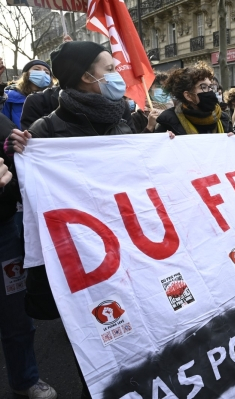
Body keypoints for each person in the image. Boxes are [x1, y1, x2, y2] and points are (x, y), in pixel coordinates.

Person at [8, 39, 138, 399]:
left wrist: (163, 143)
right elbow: (27, 192)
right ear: (85, 77)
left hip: (128, 239)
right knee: (100, 333)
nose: (117, 76)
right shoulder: (47, 131)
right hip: (83, 251)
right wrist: (16, 152)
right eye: (108, 69)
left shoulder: (124, 116)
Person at [0, 112, 58, 399]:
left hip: (4, 231)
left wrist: (15, 151)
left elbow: (14, 155)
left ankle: (25, 380)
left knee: (16, 315)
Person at [155, 63, 228, 135]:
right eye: (203, 87)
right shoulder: (168, 122)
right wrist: (165, 139)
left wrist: (232, 138)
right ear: (188, 96)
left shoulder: (223, 118)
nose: (210, 91)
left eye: (211, 86)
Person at [2, 60, 53, 129]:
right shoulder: (8, 98)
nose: (43, 73)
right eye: (37, 69)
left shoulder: (55, 98)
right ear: (26, 74)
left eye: (47, 72)